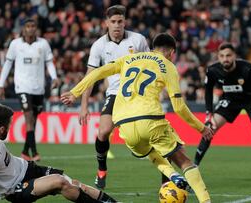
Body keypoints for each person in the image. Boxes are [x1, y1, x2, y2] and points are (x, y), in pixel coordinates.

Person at [61, 33, 213, 203]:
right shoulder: (168, 66)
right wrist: (202, 128)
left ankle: (172, 175)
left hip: (124, 125)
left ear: (153, 48)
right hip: (149, 118)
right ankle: (206, 200)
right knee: (183, 159)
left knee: (149, 150)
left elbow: (98, 72)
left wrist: (75, 92)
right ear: (172, 52)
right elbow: (179, 107)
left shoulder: (128, 59)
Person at [0, 104, 117, 203]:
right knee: (60, 181)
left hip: (26, 168)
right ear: (2, 129)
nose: (11, 127)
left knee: (73, 183)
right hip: (15, 189)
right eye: (10, 125)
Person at [79, 5, 149, 189]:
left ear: (125, 21)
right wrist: (84, 106)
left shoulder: (138, 40)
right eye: (113, 22)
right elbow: (90, 77)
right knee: (103, 132)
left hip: (137, 95)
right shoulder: (99, 46)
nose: (117, 25)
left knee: (144, 135)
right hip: (115, 94)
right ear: (106, 23)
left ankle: (165, 176)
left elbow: (151, 67)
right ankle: (102, 170)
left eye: (120, 21)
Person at [194, 42, 251, 178]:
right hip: (230, 100)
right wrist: (208, 114)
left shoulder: (248, 69)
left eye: (228, 55)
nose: (225, 59)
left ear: (234, 56)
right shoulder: (213, 70)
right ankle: (194, 166)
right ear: (218, 57)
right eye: (222, 56)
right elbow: (208, 91)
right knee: (210, 127)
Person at [0, 18, 59, 161]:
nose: (30, 29)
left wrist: (54, 77)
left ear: (36, 28)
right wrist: (1, 84)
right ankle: (35, 153)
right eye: (28, 26)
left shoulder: (43, 44)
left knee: (33, 120)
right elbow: (7, 64)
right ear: (23, 29)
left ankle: (25, 151)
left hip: (38, 88)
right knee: (29, 117)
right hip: (22, 86)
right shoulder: (16, 44)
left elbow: (49, 63)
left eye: (33, 26)